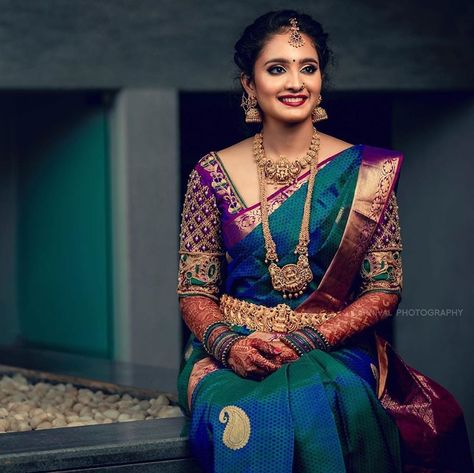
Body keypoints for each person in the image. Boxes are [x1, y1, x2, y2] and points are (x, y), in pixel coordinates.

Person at [176, 10, 473, 473]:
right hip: (233, 346)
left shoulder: (366, 175)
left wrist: (306, 339)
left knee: (335, 400)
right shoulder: (210, 174)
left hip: (332, 345)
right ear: (250, 85)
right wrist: (228, 345)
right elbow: (194, 290)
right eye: (277, 68)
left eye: (307, 67)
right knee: (251, 416)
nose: (296, 82)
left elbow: (384, 291)